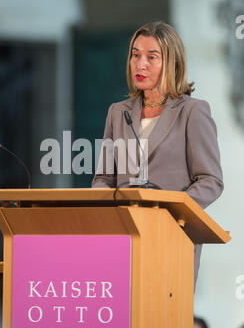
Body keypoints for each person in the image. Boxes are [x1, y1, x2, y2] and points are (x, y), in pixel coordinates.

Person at [92, 22, 224, 287]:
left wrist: (165, 211)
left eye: (151, 57)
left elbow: (211, 181)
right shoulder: (118, 112)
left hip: (171, 238)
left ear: (171, 63)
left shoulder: (192, 112)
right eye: (135, 54)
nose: (140, 64)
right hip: (122, 239)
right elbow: (104, 178)